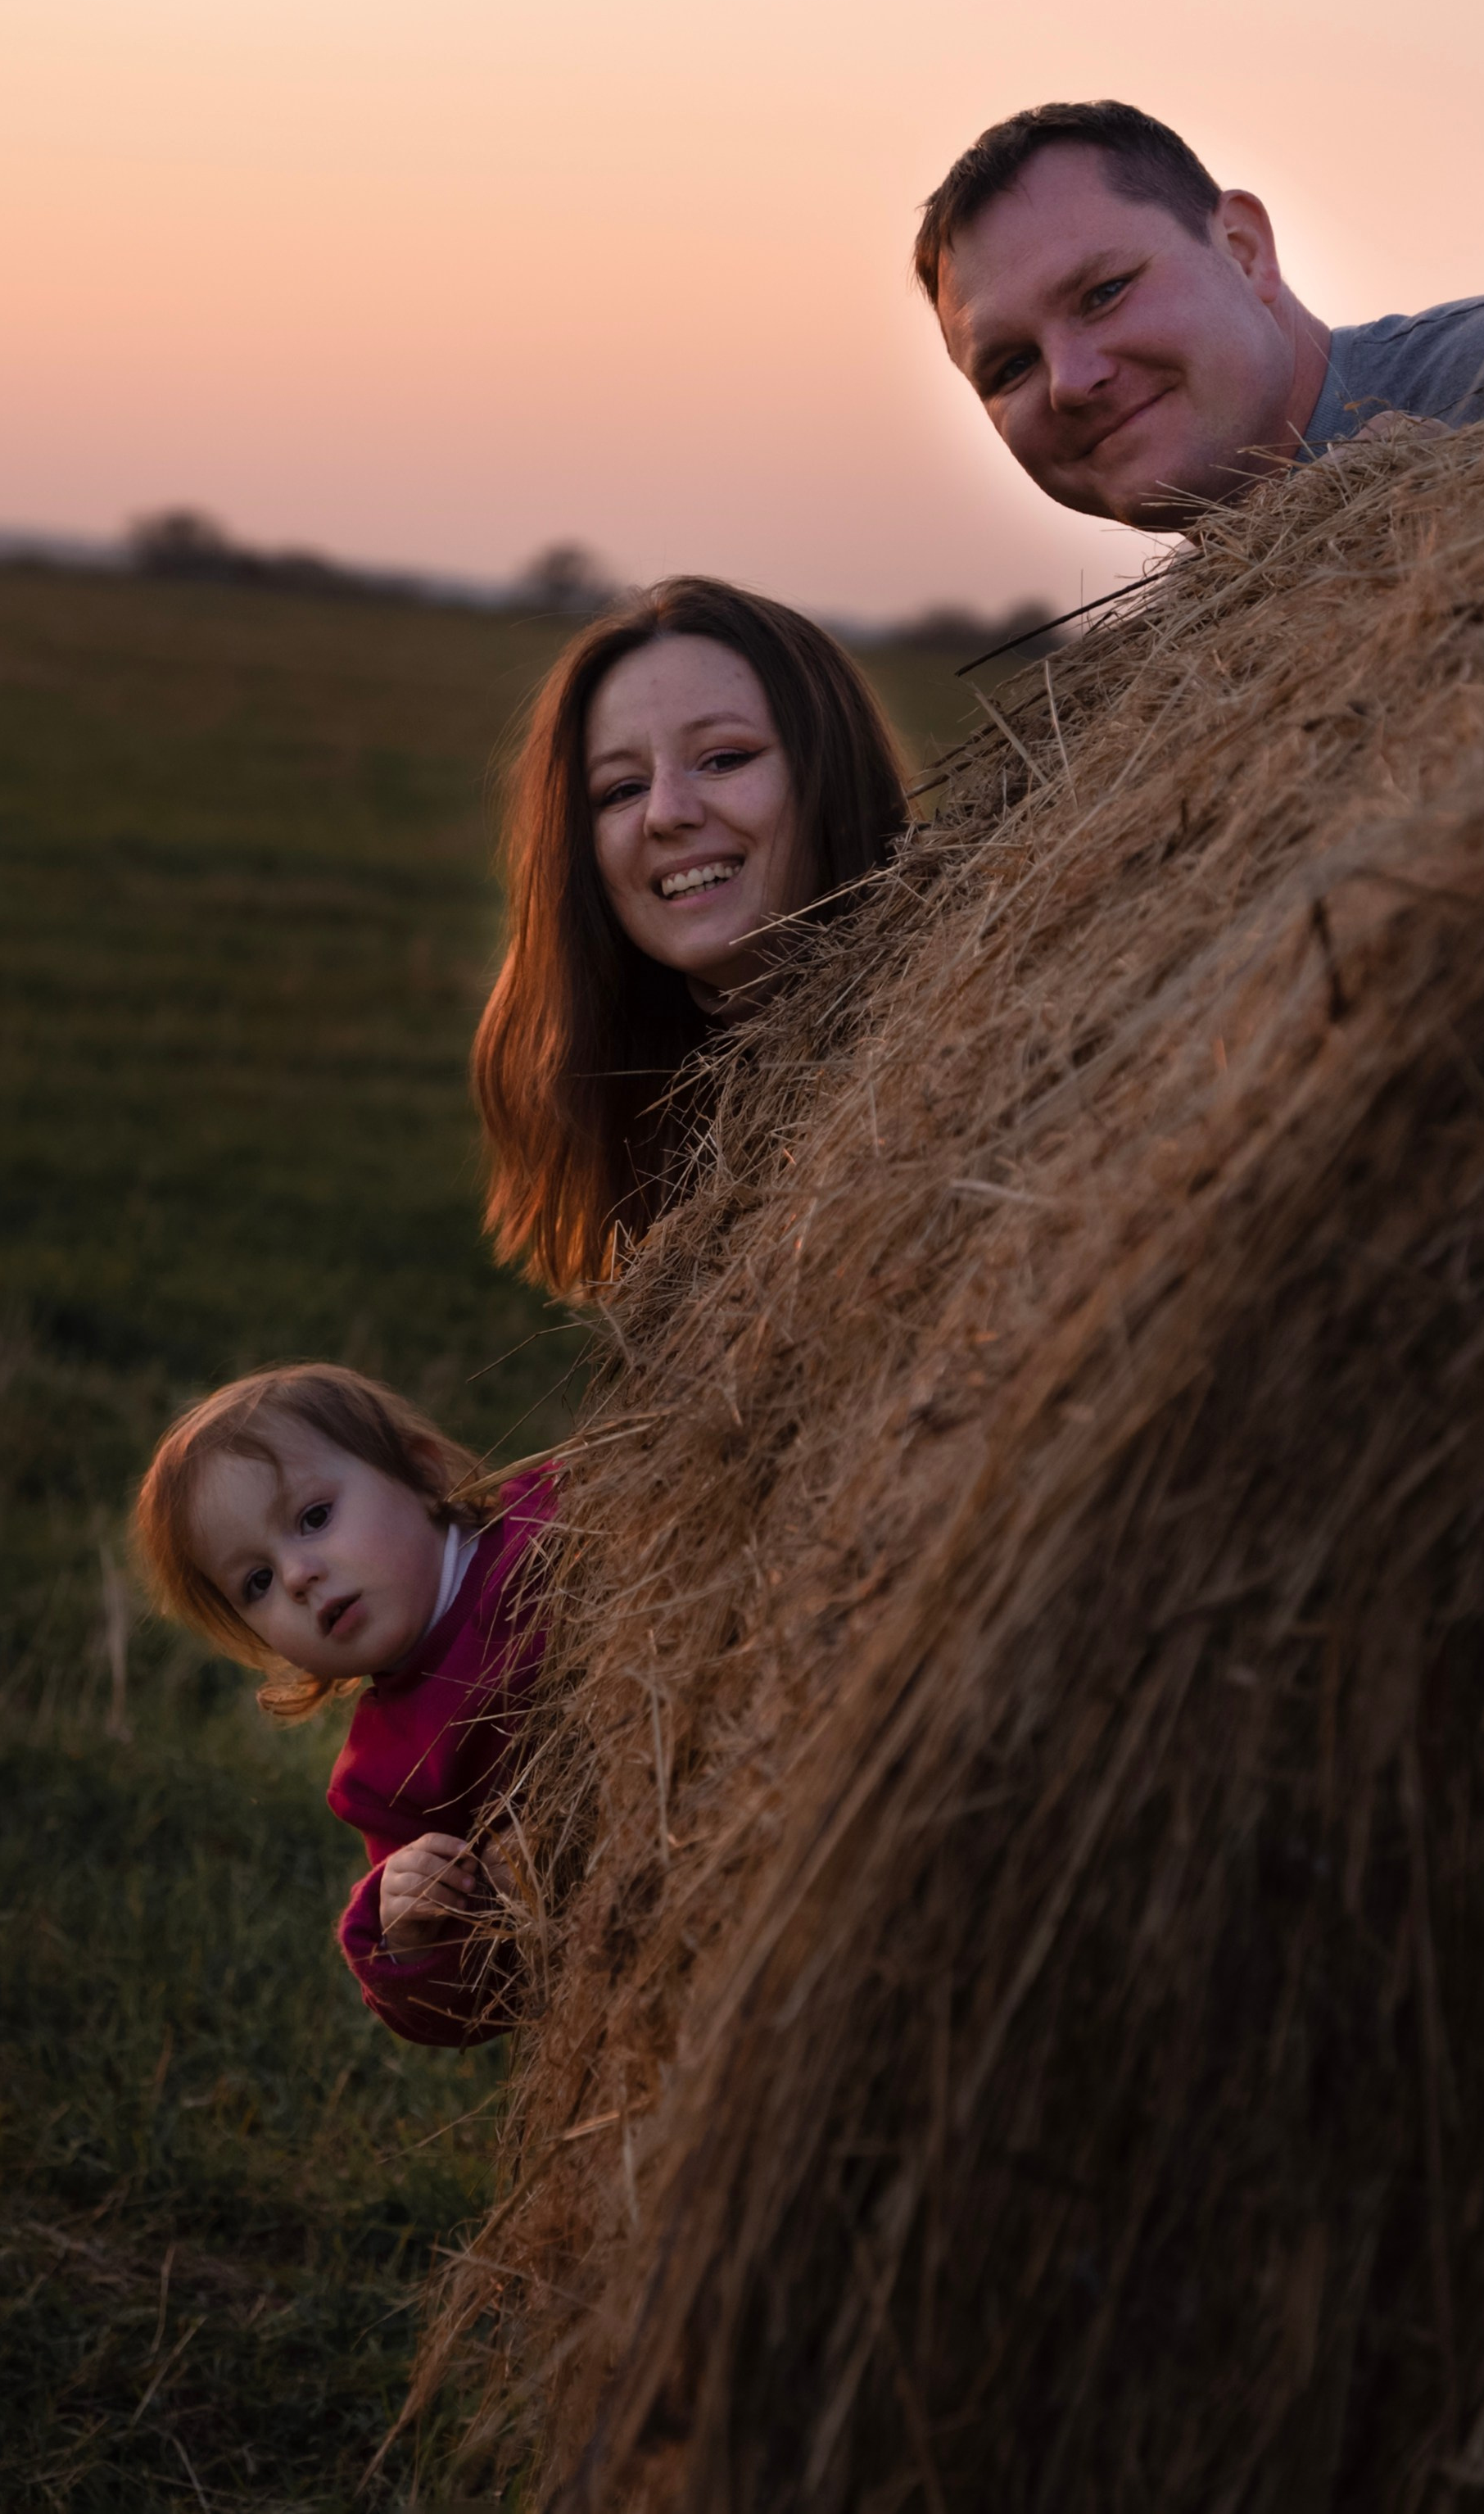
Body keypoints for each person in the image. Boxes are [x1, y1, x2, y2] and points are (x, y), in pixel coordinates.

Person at [473, 577, 910, 1293]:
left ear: (831, 775)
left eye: (724, 759)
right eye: (621, 790)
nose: (666, 814)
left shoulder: (951, 1030)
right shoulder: (645, 1104)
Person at [913, 99, 1484, 532]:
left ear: (1244, 251)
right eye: (1012, 366)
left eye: (1104, 293)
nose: (1068, 380)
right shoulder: (1170, 692)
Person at [133, 1361, 554, 2049]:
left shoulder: (551, 1521)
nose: (299, 1577)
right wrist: (415, 1933)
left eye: (314, 1517)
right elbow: (476, 2002)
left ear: (422, 1474)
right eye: (257, 1582)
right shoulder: (387, 1778)